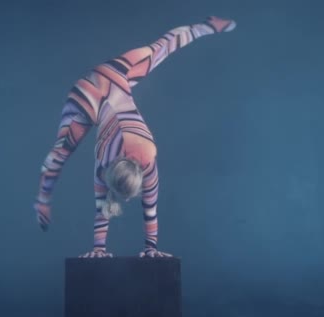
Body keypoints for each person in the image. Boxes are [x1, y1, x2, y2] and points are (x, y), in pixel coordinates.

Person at [34, 16, 237, 258]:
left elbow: (142, 206)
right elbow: (121, 206)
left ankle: (205, 26)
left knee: (160, 49)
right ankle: (41, 200)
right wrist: (104, 248)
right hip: (86, 98)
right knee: (61, 151)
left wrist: (148, 248)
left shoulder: (146, 155)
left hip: (114, 75)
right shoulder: (105, 163)